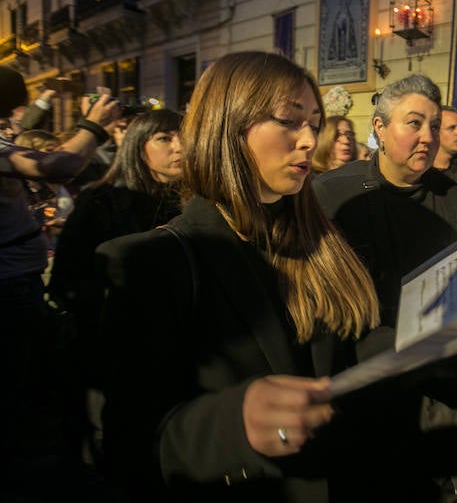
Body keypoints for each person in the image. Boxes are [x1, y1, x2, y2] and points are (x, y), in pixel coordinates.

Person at [95, 52, 379, 500]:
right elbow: (124, 444)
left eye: (315, 122)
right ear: (227, 126)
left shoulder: (318, 238)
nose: (308, 139)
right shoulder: (149, 264)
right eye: (288, 119)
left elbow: (349, 345)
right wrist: (231, 423)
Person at [313, 75, 457, 501]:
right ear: (381, 128)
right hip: (362, 398)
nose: (427, 137)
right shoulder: (334, 195)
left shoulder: (454, 199)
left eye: (433, 125)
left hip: (435, 395)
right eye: (413, 123)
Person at [0, 66, 120, 500]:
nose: (9, 119)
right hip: (10, 289)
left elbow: (19, 139)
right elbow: (58, 164)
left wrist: (46, 99)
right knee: (28, 385)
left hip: (16, 283)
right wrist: (94, 125)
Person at [48, 109, 185, 472]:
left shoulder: (193, 200)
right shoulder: (101, 201)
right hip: (109, 352)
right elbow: (67, 283)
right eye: (165, 138)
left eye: (184, 136)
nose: (180, 147)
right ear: (138, 148)